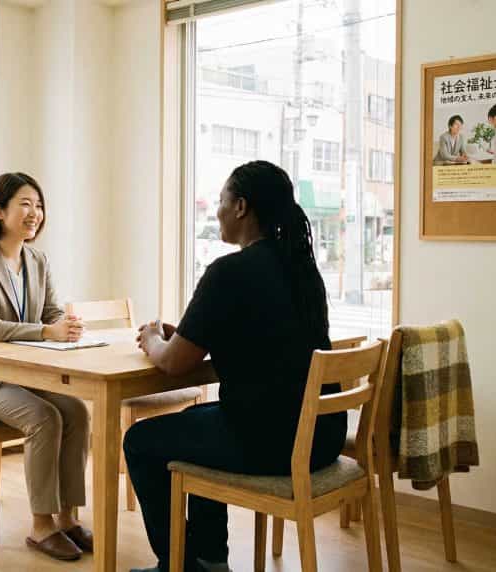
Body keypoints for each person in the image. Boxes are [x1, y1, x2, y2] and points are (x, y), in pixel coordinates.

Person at [124, 161, 344, 572]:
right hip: (321, 435)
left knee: (140, 441)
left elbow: (173, 363)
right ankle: (209, 558)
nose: (217, 210)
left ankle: (180, 565)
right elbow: (255, 336)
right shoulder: (301, 268)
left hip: (272, 441)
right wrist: (188, 333)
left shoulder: (228, 272)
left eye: (222, 201)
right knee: (196, 422)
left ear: (240, 207)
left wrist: (153, 339)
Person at [0, 172, 92, 562]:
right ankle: (41, 525)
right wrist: (48, 331)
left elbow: (50, 313)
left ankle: (67, 518)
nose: (35, 213)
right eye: (25, 204)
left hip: (25, 375)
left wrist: (65, 326)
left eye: (39, 205)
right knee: (45, 417)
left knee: (77, 411)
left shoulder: (38, 259)